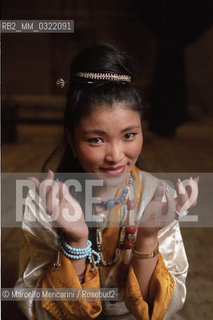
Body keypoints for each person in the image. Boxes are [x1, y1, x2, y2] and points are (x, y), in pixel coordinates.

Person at [15, 44, 198, 320]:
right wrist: (75, 242)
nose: (115, 156)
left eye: (129, 136)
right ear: (71, 139)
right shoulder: (48, 201)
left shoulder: (156, 196)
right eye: (96, 139)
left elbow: (159, 308)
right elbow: (40, 309)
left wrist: (147, 237)